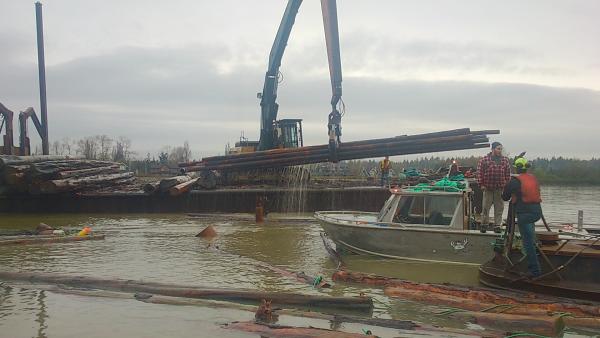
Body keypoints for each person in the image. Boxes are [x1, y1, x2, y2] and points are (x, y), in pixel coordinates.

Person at [502, 156, 543, 277]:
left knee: (528, 243)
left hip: (524, 215)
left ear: (517, 168)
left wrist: (508, 187)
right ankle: (534, 265)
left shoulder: (514, 181)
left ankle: (535, 271)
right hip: (536, 213)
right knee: (531, 238)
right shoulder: (533, 178)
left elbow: (504, 197)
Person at [477, 142, 511, 230]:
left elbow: (507, 174)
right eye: (498, 149)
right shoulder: (484, 159)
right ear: (493, 149)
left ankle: (497, 225)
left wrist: (507, 185)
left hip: (499, 188)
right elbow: (479, 173)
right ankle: (484, 225)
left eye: (501, 149)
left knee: (499, 208)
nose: (500, 151)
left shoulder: (505, 160)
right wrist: (481, 184)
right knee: (485, 208)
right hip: (488, 188)